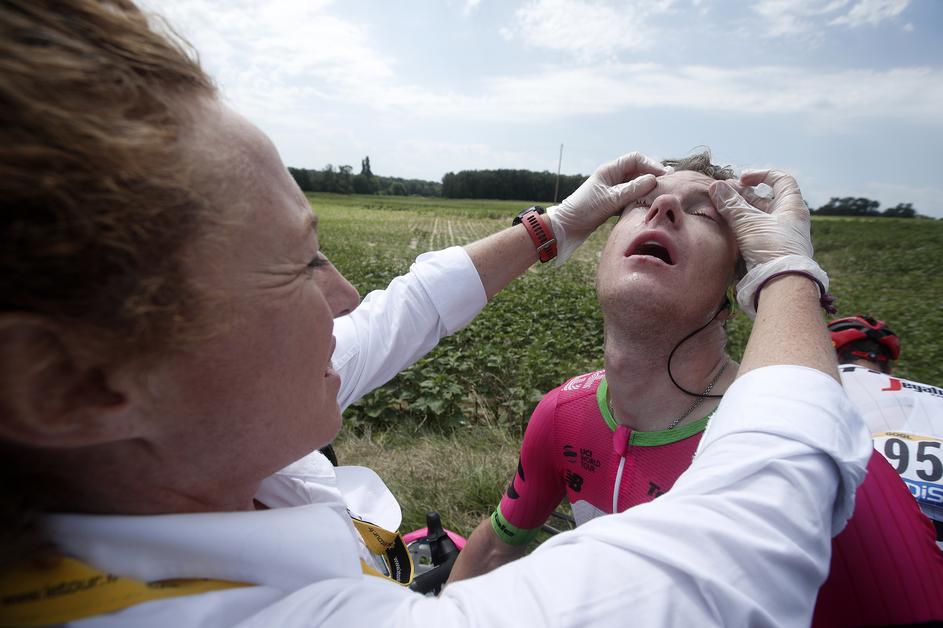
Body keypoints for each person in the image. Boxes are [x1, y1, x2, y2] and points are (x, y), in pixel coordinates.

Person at [0, 2, 872, 626]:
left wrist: (553, 227)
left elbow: (402, 311)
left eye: (710, 211)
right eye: (298, 263)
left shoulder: (164, 439)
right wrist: (788, 269)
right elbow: (747, 535)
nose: (345, 299)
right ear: (67, 382)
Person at [450, 155, 943, 626]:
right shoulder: (563, 415)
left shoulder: (817, 461)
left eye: (704, 213)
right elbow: (497, 545)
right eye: (641, 203)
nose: (662, 209)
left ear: (732, 296)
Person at [829, 315, 943, 544]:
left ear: (831, 355)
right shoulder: (932, 395)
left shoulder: (826, 384)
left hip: (868, 531)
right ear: (887, 365)